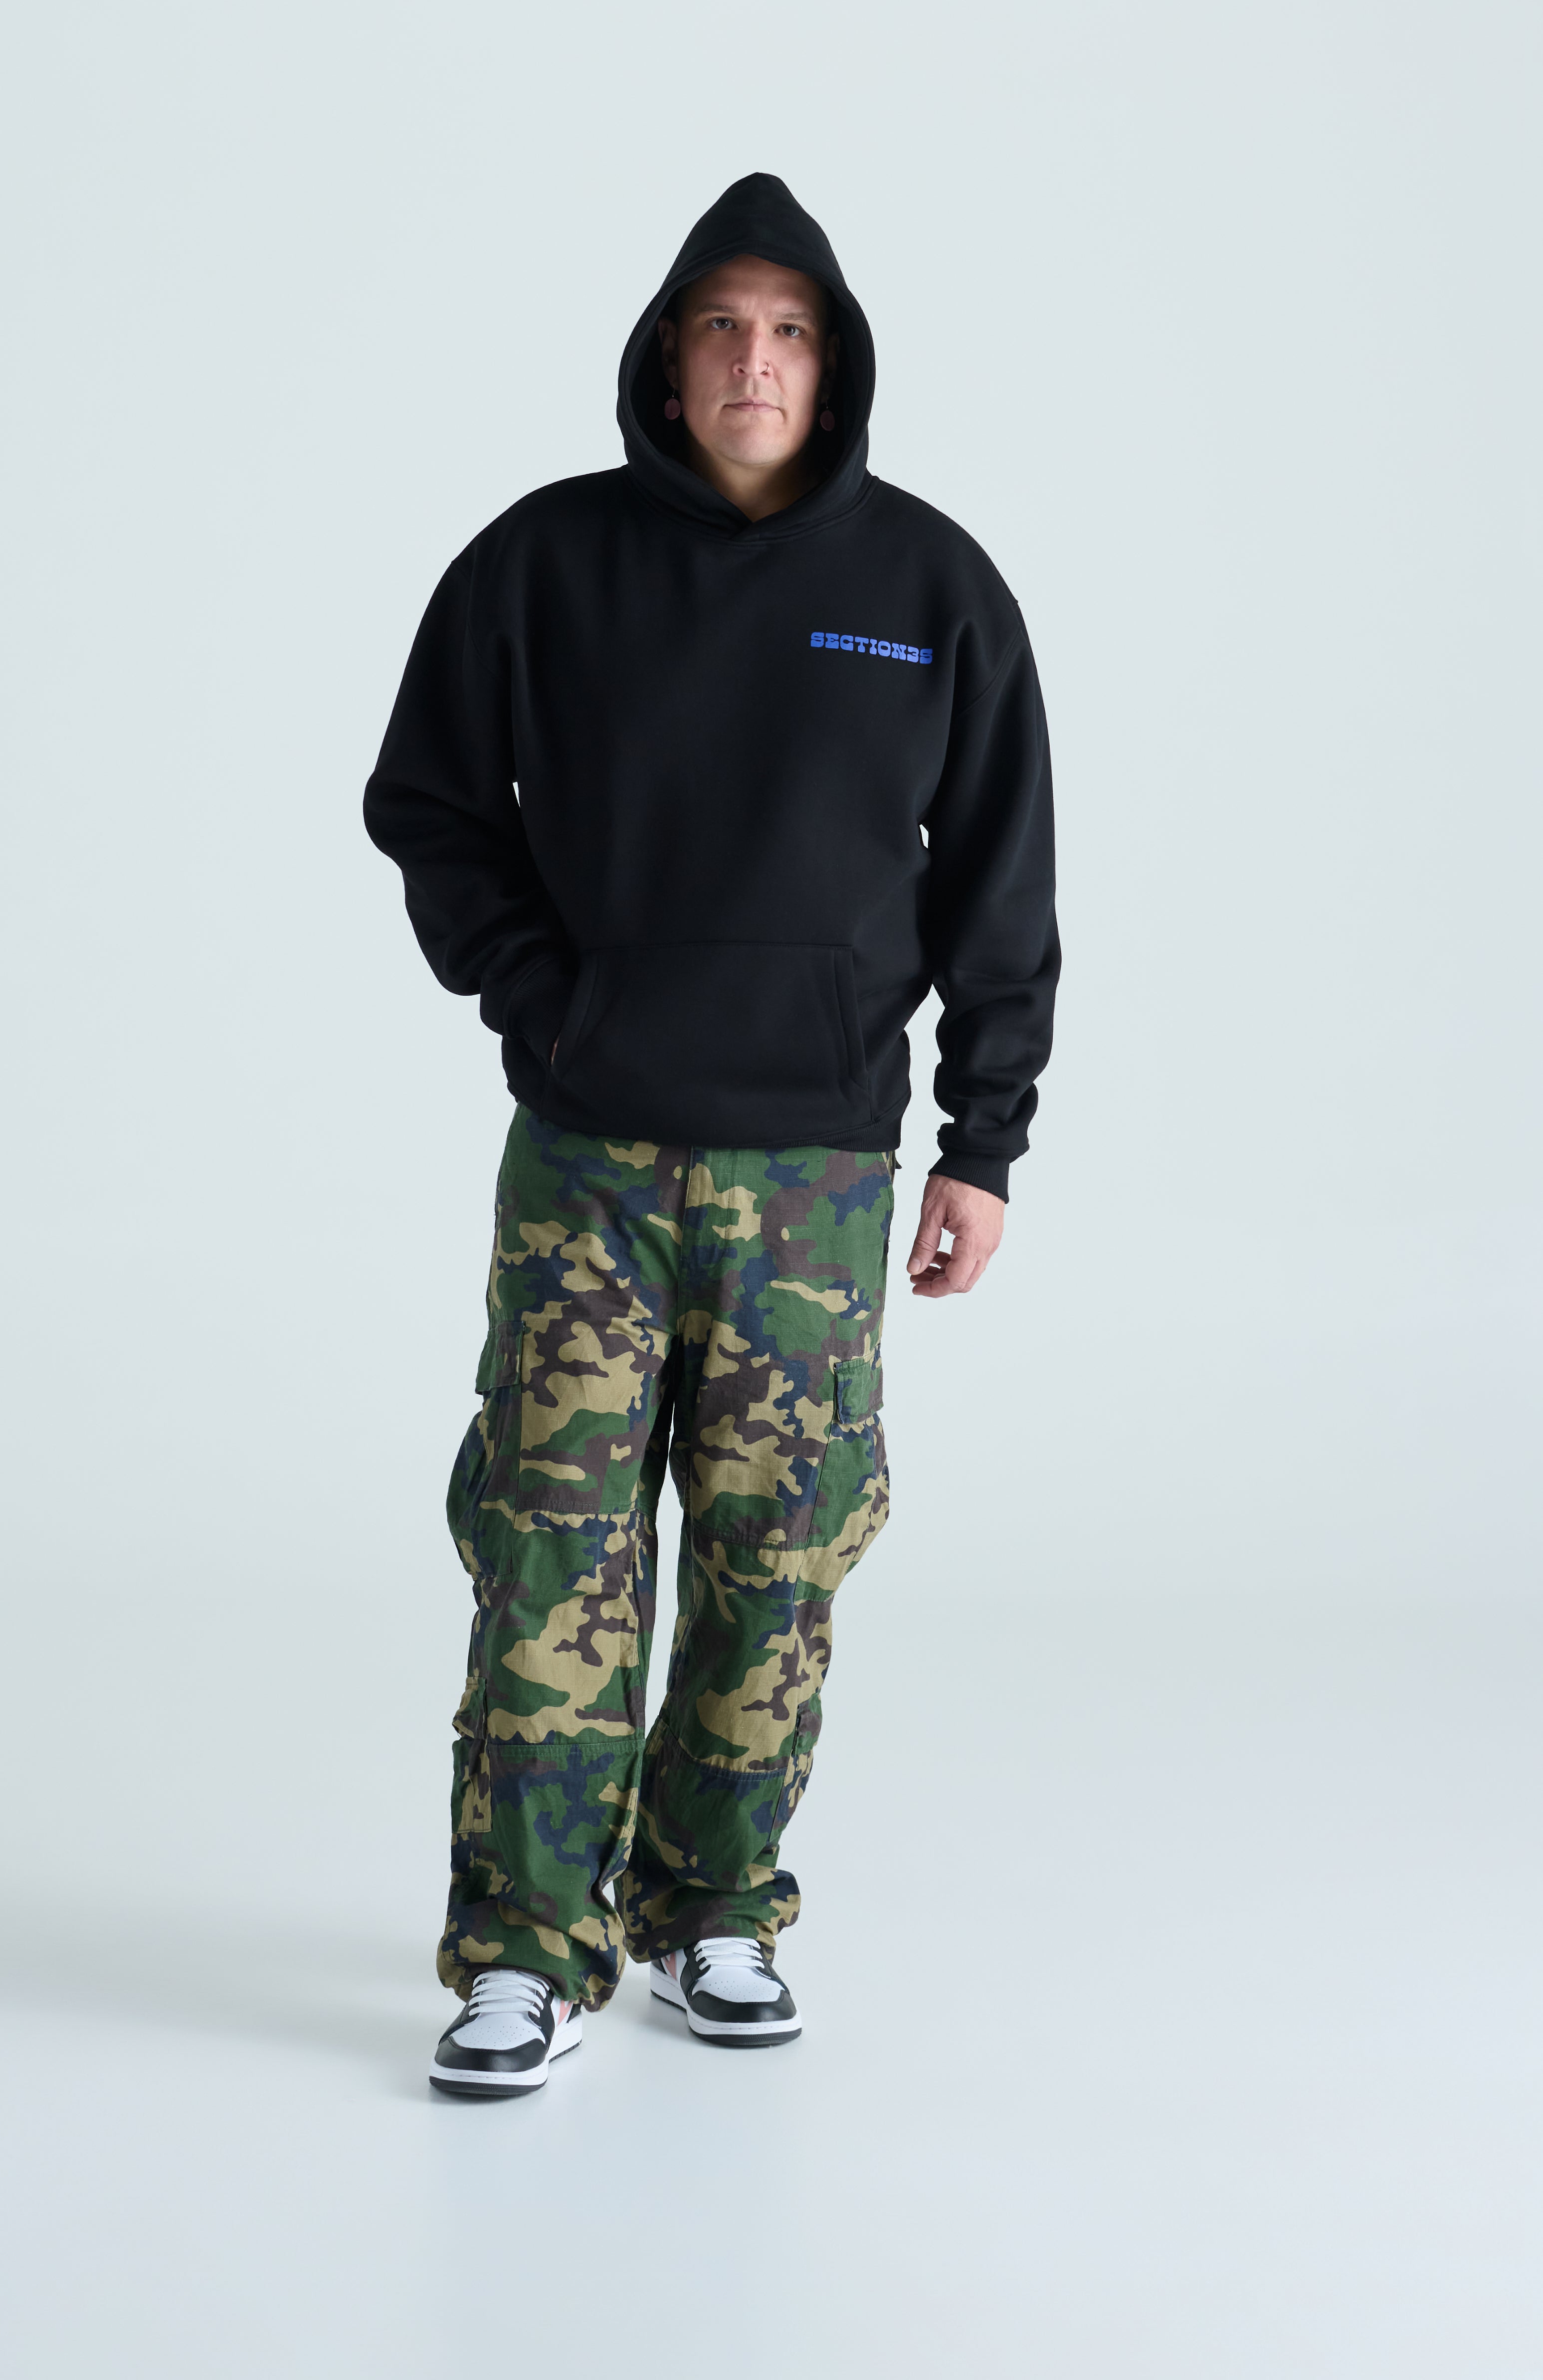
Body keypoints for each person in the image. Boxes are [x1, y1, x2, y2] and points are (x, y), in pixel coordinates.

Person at [364, 173, 1059, 2098]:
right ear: (669, 360)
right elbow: (429, 803)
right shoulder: (541, 565)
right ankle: (523, 1952)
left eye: (793, 330)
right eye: (724, 326)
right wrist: (548, 998)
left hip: (819, 1176)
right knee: (551, 1553)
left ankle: (715, 1911)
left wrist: (984, 1140)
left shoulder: (931, 589)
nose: (758, 360)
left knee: (780, 1558)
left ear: (835, 367)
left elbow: (1003, 881)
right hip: (588, 1164)